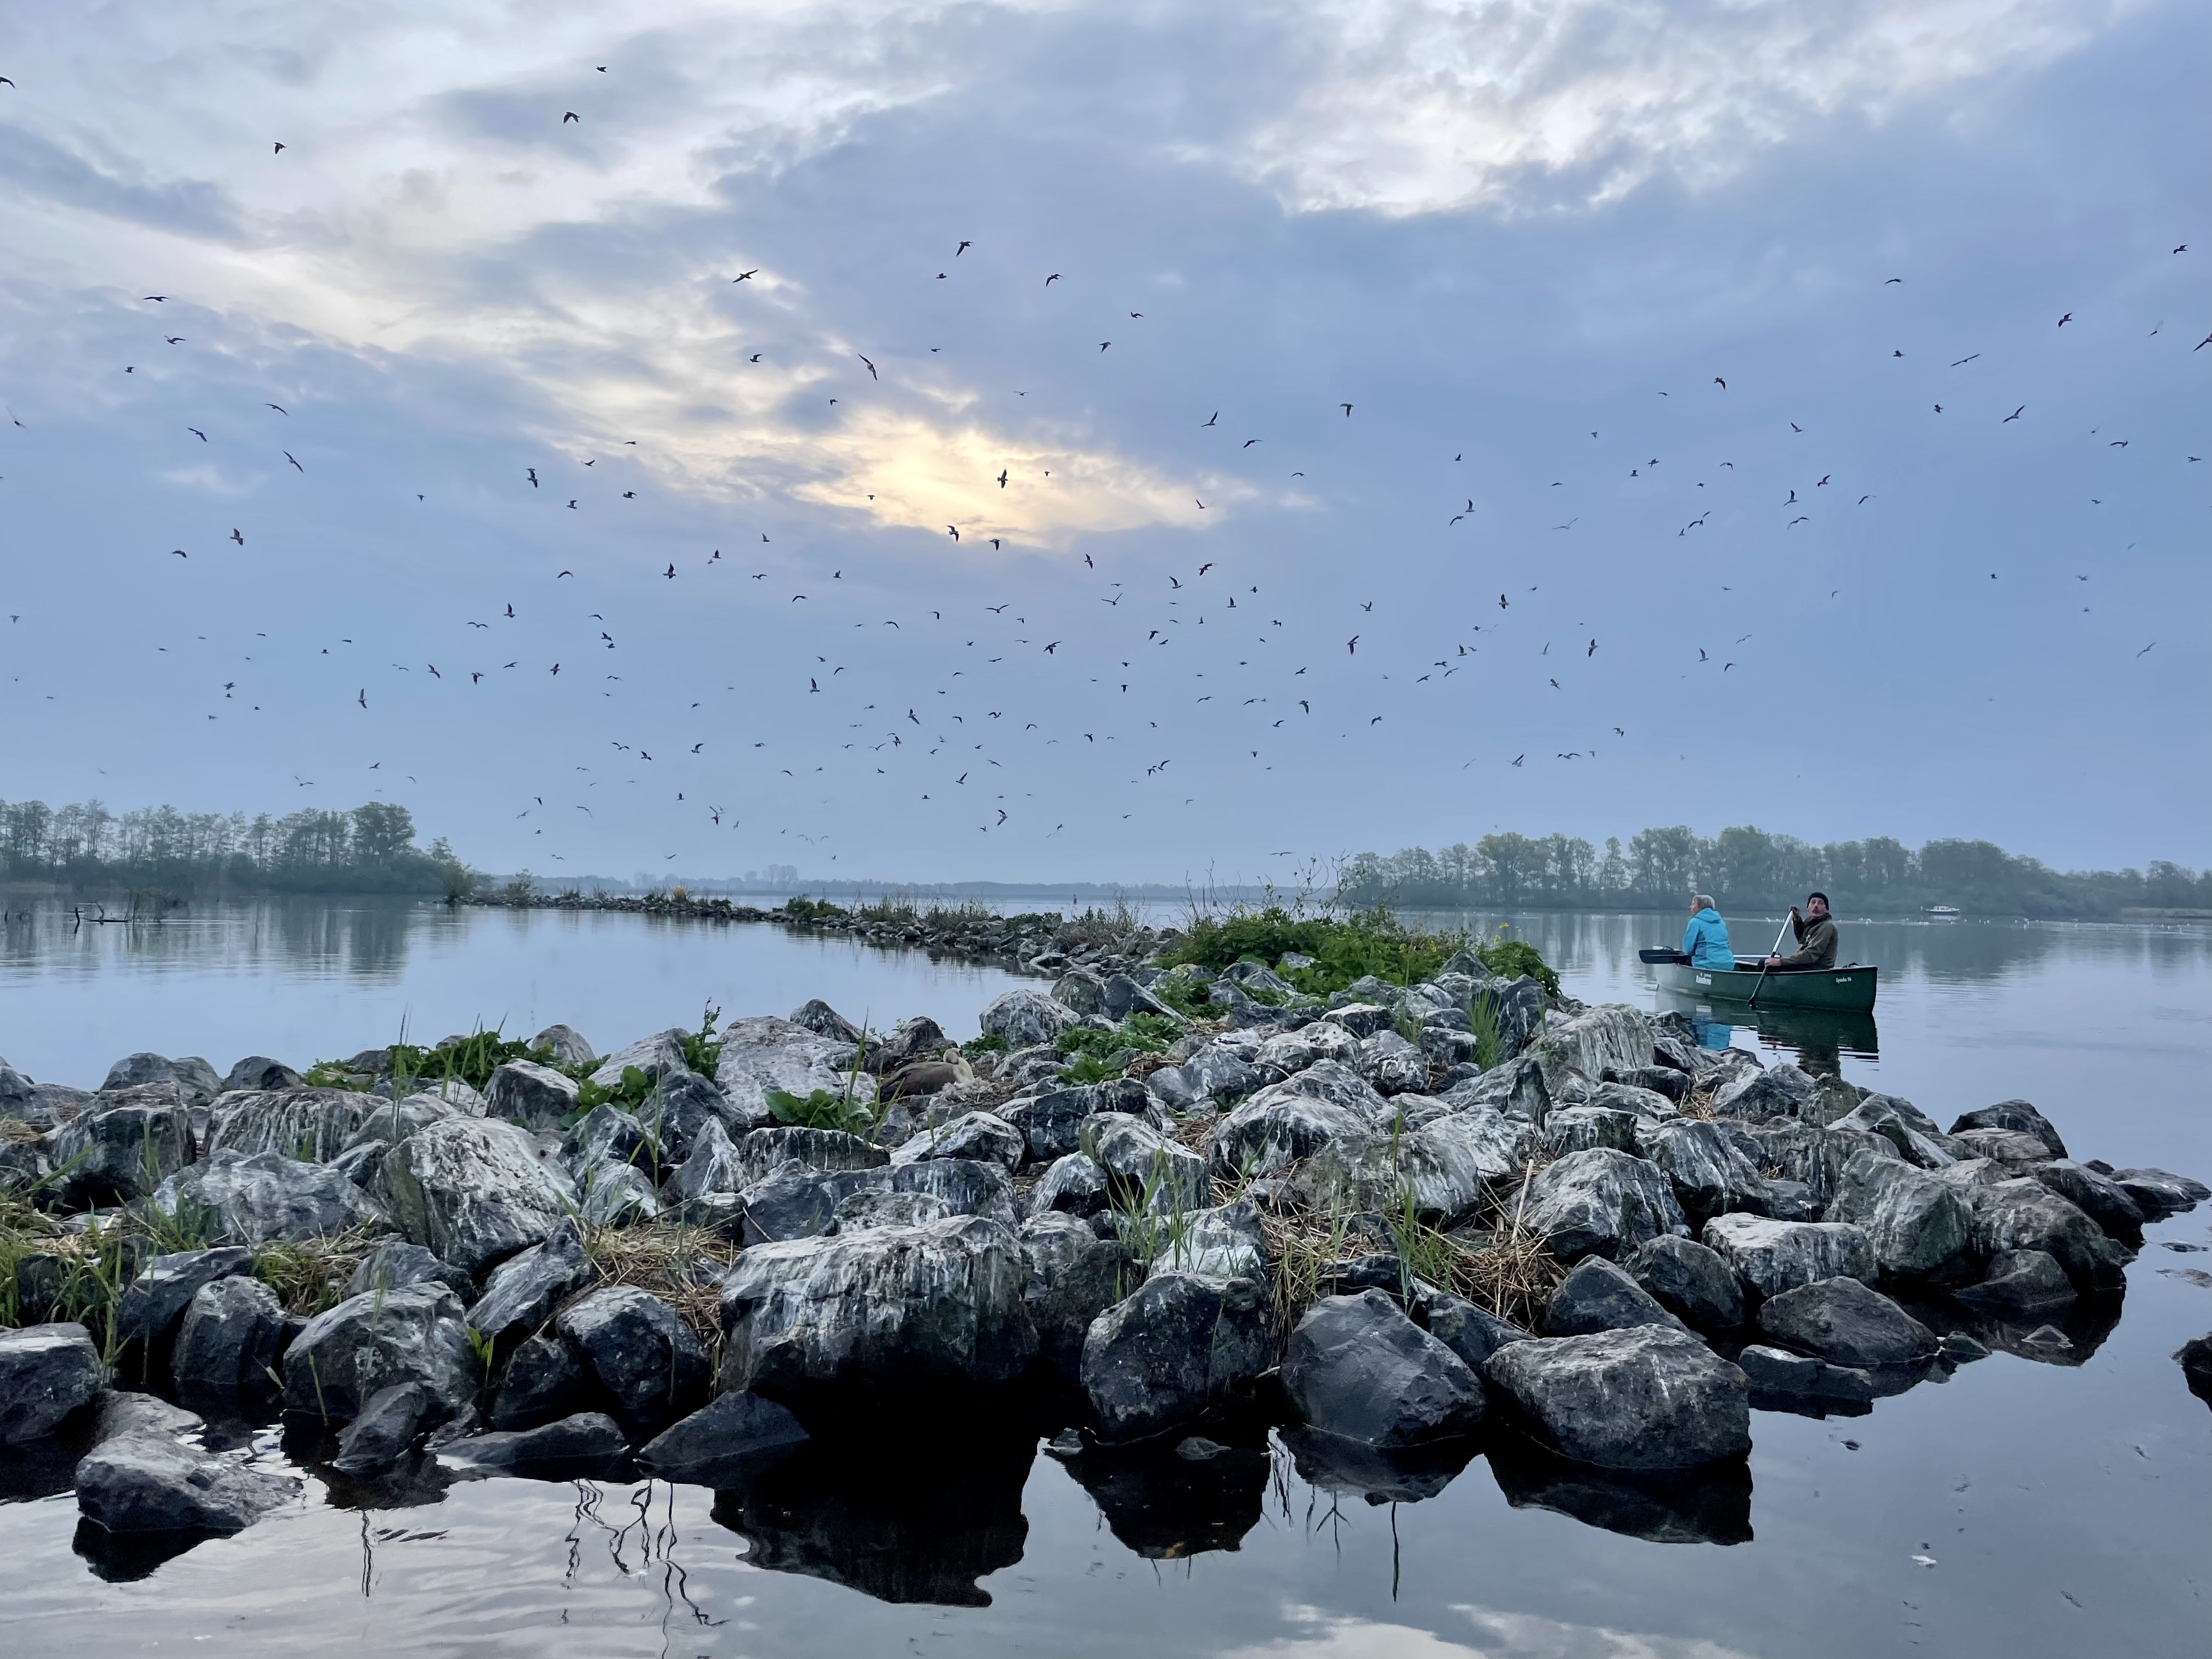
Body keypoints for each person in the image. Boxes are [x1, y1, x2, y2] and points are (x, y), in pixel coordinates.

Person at [1765, 891, 1838, 970]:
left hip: (1816, 969)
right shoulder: (1812, 923)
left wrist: (1781, 962)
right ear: (1808, 908)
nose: (1816, 906)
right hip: (1807, 966)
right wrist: (1797, 919)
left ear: (1827, 909)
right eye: (1813, 902)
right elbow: (1802, 939)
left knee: (1764, 965)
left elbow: (1811, 954)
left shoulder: (1827, 926)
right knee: (1764, 964)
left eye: (1821, 903)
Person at [1680, 894, 1735, 969]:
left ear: (1700, 907)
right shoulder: (1721, 922)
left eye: (1693, 904)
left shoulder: (1695, 922)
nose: (1691, 907)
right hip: (1728, 964)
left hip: (1706, 964)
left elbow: (1688, 949)